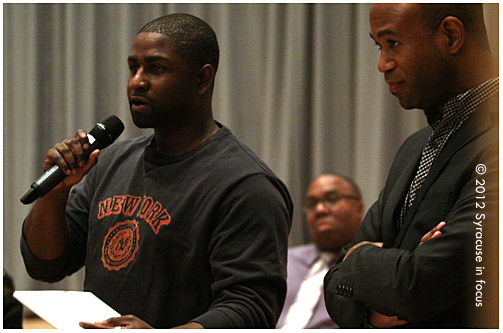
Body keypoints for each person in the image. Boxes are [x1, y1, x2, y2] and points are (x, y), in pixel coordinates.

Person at [20, 13, 293, 329]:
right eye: (133, 67)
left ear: (202, 80)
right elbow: (45, 264)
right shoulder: (109, 163)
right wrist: (55, 194)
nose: (137, 81)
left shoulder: (246, 184)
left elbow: (251, 309)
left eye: (156, 69)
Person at [324, 3, 498, 328]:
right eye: (379, 46)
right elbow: (334, 282)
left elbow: (419, 287)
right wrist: (373, 308)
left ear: (450, 35)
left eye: (393, 44)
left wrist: (359, 256)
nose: (382, 64)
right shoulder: (413, 148)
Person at [276, 174, 363, 329]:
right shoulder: (284, 259)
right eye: (312, 203)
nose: (320, 209)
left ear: (359, 208)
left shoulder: (370, 264)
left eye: (332, 198)